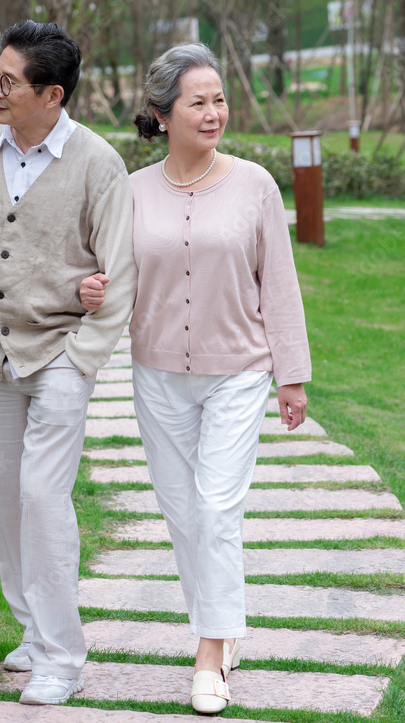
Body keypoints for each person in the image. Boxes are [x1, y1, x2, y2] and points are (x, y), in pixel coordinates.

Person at [80, 42, 311, 715]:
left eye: (219, 100)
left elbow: (280, 284)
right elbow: (113, 278)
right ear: (162, 114)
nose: (214, 113)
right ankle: (221, 624)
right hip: (156, 375)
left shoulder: (255, 185)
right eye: (198, 102)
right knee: (184, 516)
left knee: (215, 510)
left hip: (237, 372)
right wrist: (90, 290)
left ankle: (210, 652)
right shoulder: (131, 193)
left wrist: (291, 375)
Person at [0, 20, 136, 707]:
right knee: (3, 499)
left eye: (9, 81)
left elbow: (121, 272)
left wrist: (82, 358)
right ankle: (31, 629)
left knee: (43, 498)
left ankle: (62, 657)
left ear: (52, 94)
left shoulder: (99, 165)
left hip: (58, 354)